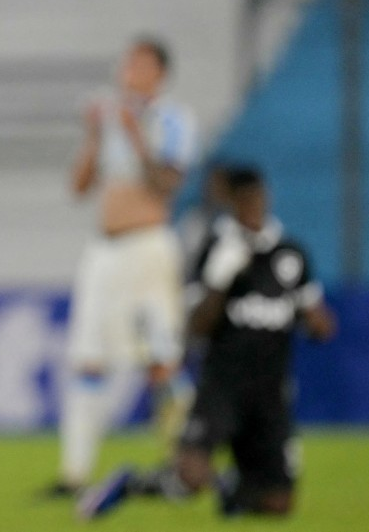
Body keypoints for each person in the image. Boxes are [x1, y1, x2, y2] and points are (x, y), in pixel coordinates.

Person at [76, 166, 337, 519]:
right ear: (234, 203)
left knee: (279, 505)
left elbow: (321, 326)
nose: (253, 209)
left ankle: (234, 490)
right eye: (245, 202)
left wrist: (311, 315)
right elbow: (196, 327)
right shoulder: (216, 249)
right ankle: (131, 483)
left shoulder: (290, 254)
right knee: (192, 474)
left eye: (258, 200)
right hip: (223, 386)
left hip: (271, 392)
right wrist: (218, 280)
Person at [54, 37, 198, 495]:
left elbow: (166, 185)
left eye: (141, 62)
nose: (129, 69)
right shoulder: (108, 117)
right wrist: (96, 134)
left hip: (147, 247)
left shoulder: (171, 120)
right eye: (127, 61)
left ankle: (183, 466)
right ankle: (74, 474)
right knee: (87, 359)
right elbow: (79, 188)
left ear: (160, 72)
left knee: (161, 359)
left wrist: (135, 133)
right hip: (104, 250)